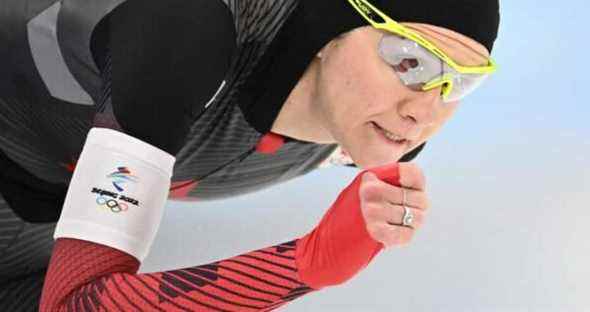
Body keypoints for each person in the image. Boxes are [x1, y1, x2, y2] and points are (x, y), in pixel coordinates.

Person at [0, 0, 499, 310]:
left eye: (459, 82)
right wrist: (306, 264)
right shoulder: (182, 33)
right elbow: (74, 305)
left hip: (30, 227)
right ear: (334, 29)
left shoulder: (386, 128)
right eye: (408, 61)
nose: (424, 110)